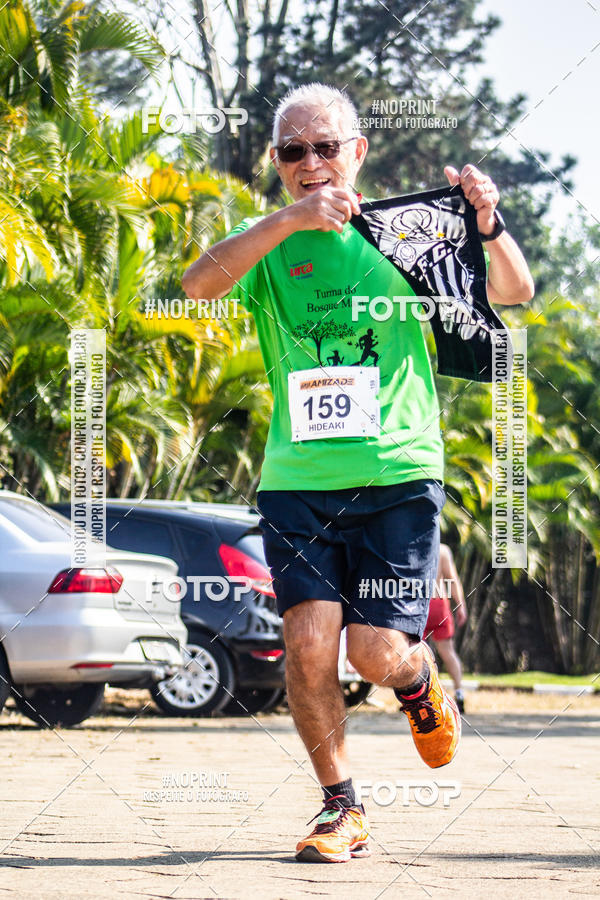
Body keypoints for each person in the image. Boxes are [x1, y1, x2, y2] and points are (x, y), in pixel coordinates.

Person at [182, 83, 534, 863]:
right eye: (292, 151)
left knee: (374, 653)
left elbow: (514, 291)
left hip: (398, 475)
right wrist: (289, 222)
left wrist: (486, 221)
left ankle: (415, 680)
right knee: (308, 645)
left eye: (325, 147)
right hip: (297, 481)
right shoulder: (271, 242)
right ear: (278, 162)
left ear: (358, 152)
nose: (310, 162)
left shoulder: (407, 237)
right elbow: (197, 285)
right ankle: (341, 807)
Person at [424, 543, 467, 713]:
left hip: (420, 603)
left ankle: (420, 697)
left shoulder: (414, 544)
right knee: (448, 652)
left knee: (417, 653)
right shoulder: (442, 550)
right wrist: (461, 605)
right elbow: (452, 578)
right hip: (439, 603)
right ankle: (459, 692)